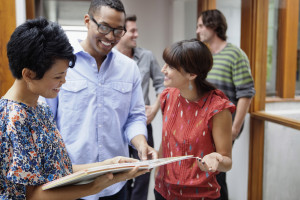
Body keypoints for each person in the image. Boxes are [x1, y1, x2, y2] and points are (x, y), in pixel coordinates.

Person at [0, 17, 148, 200]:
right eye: (58, 76)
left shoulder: (40, 108)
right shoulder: (14, 119)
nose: (63, 82)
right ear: (29, 74)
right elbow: (33, 196)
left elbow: (61, 169)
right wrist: (91, 188)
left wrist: (109, 165)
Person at [44, 0, 157, 199]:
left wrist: (141, 144)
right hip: (72, 179)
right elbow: (47, 120)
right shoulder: (61, 63)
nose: (110, 37)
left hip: (115, 182)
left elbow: (135, 116)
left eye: (118, 31)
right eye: (104, 27)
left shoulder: (128, 68)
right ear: (87, 21)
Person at [154, 39, 236, 200]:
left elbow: (227, 161)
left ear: (192, 74)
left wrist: (216, 160)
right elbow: (167, 141)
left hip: (200, 195)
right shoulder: (167, 97)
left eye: (170, 67)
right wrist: (155, 164)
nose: (163, 70)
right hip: (163, 191)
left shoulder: (217, 108)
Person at [196, 9, 255, 199]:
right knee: (206, 172)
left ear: (213, 26)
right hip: (205, 124)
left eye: (201, 26)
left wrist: (235, 129)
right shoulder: (204, 55)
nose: (198, 31)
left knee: (217, 174)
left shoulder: (235, 55)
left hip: (225, 125)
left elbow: (246, 94)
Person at [115, 14, 165, 200]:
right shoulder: (110, 60)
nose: (136, 34)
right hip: (118, 125)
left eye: (137, 30)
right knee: (122, 172)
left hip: (142, 123)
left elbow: (162, 85)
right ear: (121, 33)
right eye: (132, 31)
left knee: (144, 170)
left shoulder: (147, 56)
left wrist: (155, 108)